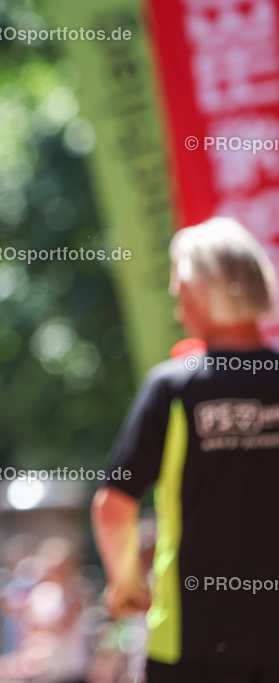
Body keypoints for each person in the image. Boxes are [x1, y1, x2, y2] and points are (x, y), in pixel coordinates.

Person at [92, 217, 279, 681]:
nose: (178, 308)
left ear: (199, 291)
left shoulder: (174, 386)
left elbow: (113, 507)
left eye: (180, 291)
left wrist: (126, 586)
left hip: (187, 641)